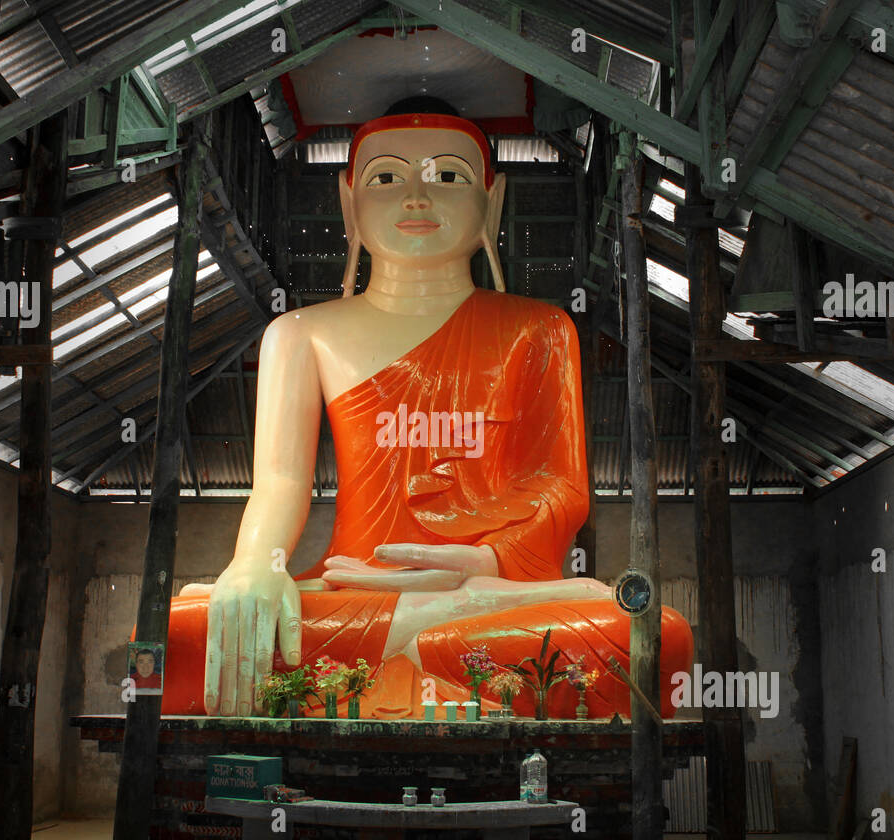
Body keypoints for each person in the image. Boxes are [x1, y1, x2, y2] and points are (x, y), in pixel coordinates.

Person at [150, 100, 692, 720]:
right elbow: (278, 484)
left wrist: (486, 563)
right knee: (181, 633)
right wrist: (253, 568)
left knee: (656, 637)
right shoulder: (300, 334)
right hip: (356, 587)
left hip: (498, 588)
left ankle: (424, 639)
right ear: (349, 200)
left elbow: (560, 487)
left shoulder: (540, 329)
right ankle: (439, 636)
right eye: (386, 178)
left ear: (493, 199)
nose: (415, 197)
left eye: (447, 176)